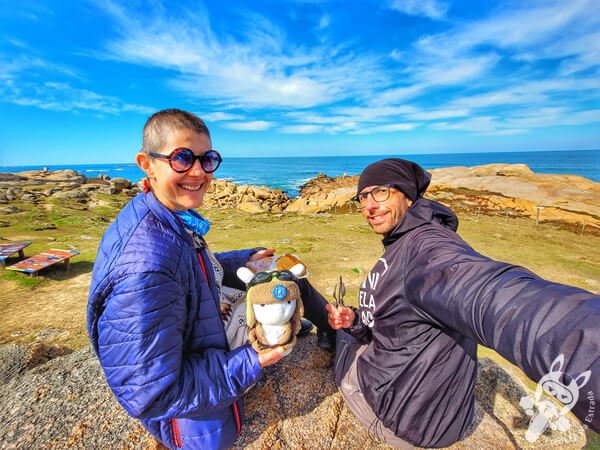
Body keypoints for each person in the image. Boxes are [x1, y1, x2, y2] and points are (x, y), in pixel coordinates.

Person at [87, 108, 334, 449]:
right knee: (282, 288)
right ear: (146, 164)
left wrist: (238, 262)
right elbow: (152, 394)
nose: (198, 172)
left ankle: (330, 327)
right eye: (182, 158)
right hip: (192, 426)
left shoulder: (161, 214)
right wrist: (251, 362)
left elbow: (184, 271)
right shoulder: (147, 266)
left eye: (207, 159)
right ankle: (332, 331)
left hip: (200, 337)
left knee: (276, 271)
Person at [326, 158, 600, 448]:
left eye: (380, 191)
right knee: (344, 327)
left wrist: (587, 352)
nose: (369, 206)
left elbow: (493, 298)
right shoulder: (407, 242)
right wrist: (355, 321)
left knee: (328, 332)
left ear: (406, 194)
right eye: (363, 196)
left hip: (399, 419)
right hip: (440, 417)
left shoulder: (428, 250)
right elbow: (398, 318)